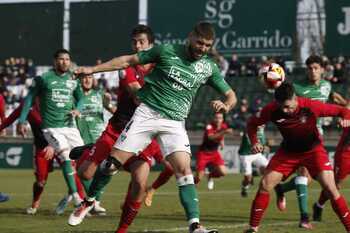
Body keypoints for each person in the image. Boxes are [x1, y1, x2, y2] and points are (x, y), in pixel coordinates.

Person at [73, 21, 237, 233]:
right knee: (110, 165)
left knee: (184, 171)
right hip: (146, 115)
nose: (202, 48)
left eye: (207, 45)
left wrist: (226, 105)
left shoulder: (208, 67)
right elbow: (128, 61)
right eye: (200, 43)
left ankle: (195, 226)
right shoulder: (167, 51)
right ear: (190, 37)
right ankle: (89, 201)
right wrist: (92, 70)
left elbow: (231, 95)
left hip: (174, 123)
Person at [67, 24, 168, 231]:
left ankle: (120, 230)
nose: (137, 45)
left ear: (151, 45)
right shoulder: (128, 68)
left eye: (142, 41)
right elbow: (138, 95)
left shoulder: (161, 69)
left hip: (144, 133)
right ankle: (91, 154)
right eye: (134, 42)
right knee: (85, 174)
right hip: (118, 129)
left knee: (140, 184)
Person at [243, 82, 350, 233]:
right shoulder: (271, 109)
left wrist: (345, 118)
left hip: (313, 151)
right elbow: (252, 124)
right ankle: (253, 229)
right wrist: (254, 141)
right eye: (282, 107)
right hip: (288, 152)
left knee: (331, 189)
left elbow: (344, 111)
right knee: (265, 184)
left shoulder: (311, 106)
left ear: (295, 98)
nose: (286, 111)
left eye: (288, 106)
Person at [18, 49, 84, 207]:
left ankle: (77, 194)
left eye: (67, 59)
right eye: (61, 59)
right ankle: (76, 197)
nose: (64, 62)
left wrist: (78, 109)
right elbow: (29, 99)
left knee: (85, 158)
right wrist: (22, 121)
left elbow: (80, 98)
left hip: (70, 126)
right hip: (52, 128)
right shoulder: (43, 78)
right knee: (64, 157)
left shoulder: (73, 79)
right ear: (55, 61)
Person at [274, 55, 332, 228]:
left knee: (310, 178)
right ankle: (304, 218)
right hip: (300, 135)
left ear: (322, 69)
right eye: (309, 68)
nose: (312, 71)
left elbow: (330, 101)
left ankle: (282, 189)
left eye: (316, 67)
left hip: (318, 135)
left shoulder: (327, 86)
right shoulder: (297, 88)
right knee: (303, 174)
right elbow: (281, 99)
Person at [313, 92, 350, 221]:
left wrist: (339, 99)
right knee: (336, 185)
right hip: (346, 153)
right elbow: (343, 113)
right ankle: (319, 205)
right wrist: (343, 121)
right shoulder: (347, 109)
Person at [194, 112, 232, 190]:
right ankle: (190, 186)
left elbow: (222, 135)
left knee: (223, 172)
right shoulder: (209, 126)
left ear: (222, 119)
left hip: (214, 153)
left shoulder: (224, 126)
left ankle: (210, 175)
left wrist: (222, 142)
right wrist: (224, 132)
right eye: (216, 118)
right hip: (203, 153)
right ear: (213, 118)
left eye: (220, 118)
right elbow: (210, 138)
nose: (218, 120)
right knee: (198, 178)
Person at [239, 125, 268, 197]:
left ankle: (255, 174)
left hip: (256, 155)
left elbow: (262, 145)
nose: (262, 126)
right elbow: (253, 144)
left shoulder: (262, 132)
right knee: (248, 179)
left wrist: (264, 147)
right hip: (245, 155)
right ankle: (244, 188)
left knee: (269, 170)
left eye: (263, 124)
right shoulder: (249, 130)